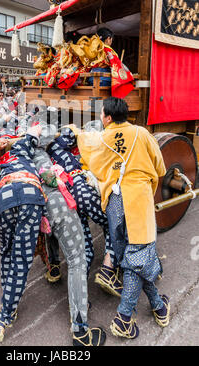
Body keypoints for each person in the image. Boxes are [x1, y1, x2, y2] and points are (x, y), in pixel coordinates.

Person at [77, 97, 170, 339]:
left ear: (107, 118)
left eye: (101, 114)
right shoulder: (141, 133)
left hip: (115, 204)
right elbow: (160, 168)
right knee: (138, 258)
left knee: (133, 259)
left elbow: (93, 163)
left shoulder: (103, 139)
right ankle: (124, 318)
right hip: (138, 201)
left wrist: (74, 131)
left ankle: (159, 306)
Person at [32, 124, 106, 346]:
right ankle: (80, 330)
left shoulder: (21, 151)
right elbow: (50, 178)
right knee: (77, 261)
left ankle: (54, 268)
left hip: (37, 205)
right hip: (57, 203)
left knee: (53, 238)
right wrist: (64, 177)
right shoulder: (42, 153)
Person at [0, 125, 46, 344]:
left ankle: (9, 301)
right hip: (29, 193)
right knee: (22, 257)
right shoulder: (23, 146)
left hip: (4, 196)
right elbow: (37, 130)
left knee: (7, 250)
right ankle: (4, 317)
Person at [46, 126, 121, 296]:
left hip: (66, 199)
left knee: (85, 248)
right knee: (113, 225)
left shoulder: (41, 156)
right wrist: (75, 130)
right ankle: (108, 270)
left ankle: (80, 297)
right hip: (81, 189)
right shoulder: (62, 141)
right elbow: (73, 133)